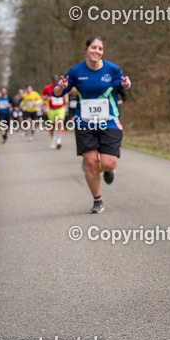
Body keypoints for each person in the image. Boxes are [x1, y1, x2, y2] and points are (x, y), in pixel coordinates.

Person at [53, 36, 132, 214]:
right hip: (85, 122)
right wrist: (60, 87)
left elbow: (125, 84)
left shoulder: (112, 69)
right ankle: (97, 200)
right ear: (86, 49)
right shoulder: (75, 71)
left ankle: (107, 170)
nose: (97, 51)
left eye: (100, 49)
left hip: (109, 120)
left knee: (108, 163)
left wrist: (127, 84)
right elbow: (58, 93)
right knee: (90, 162)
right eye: (94, 48)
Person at [42, 74, 68, 149]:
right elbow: (42, 96)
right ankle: (53, 139)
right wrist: (47, 98)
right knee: (52, 126)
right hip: (51, 109)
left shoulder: (62, 86)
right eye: (54, 80)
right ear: (52, 81)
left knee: (60, 123)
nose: (56, 81)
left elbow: (66, 94)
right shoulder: (47, 88)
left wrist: (66, 102)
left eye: (57, 80)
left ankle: (59, 141)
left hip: (60, 108)